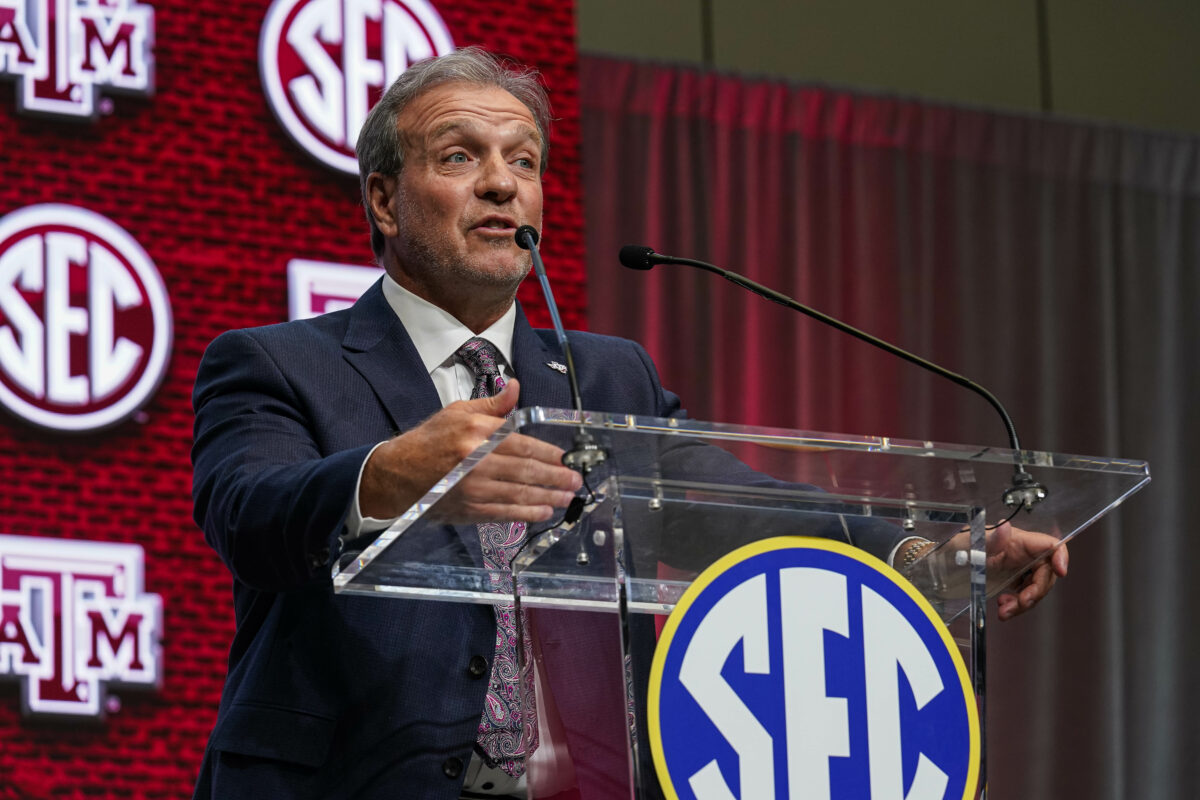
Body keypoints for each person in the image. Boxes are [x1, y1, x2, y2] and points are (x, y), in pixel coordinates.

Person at [190, 47, 1067, 799]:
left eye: (523, 161)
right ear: (385, 200)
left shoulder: (606, 374)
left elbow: (732, 506)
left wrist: (923, 552)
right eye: (460, 157)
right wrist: (387, 474)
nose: (502, 182)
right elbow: (246, 512)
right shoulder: (275, 362)